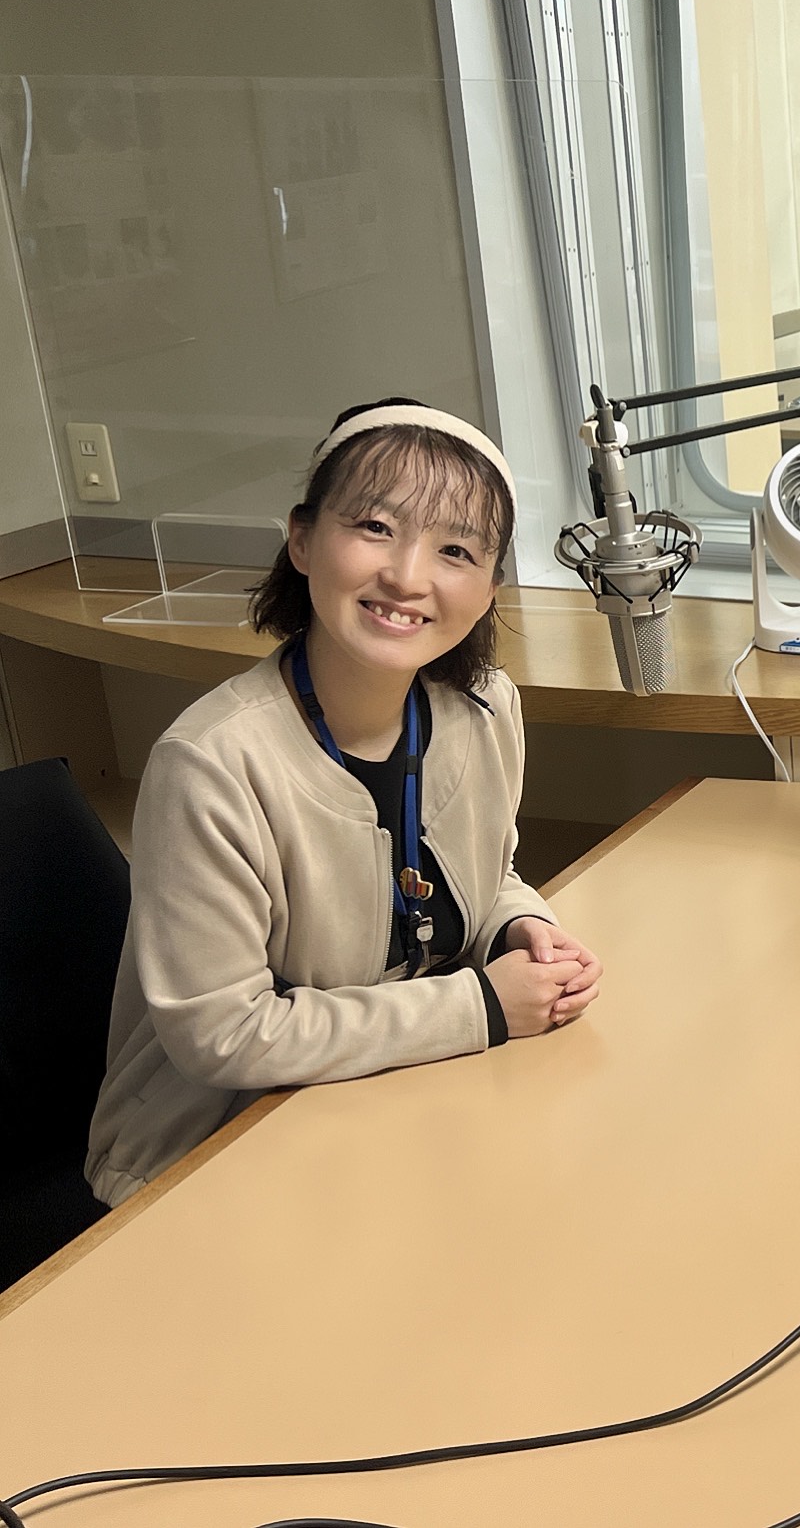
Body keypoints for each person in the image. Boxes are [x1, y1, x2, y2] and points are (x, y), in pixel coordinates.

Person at [86, 400, 603, 1206]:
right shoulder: (211, 764)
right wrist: (482, 1006)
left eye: (455, 549)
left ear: (488, 587)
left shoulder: (486, 708)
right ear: (301, 539)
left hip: (402, 1104)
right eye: (375, 527)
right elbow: (222, 1034)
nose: (408, 576)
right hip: (212, 1154)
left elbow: (484, 873)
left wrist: (520, 926)